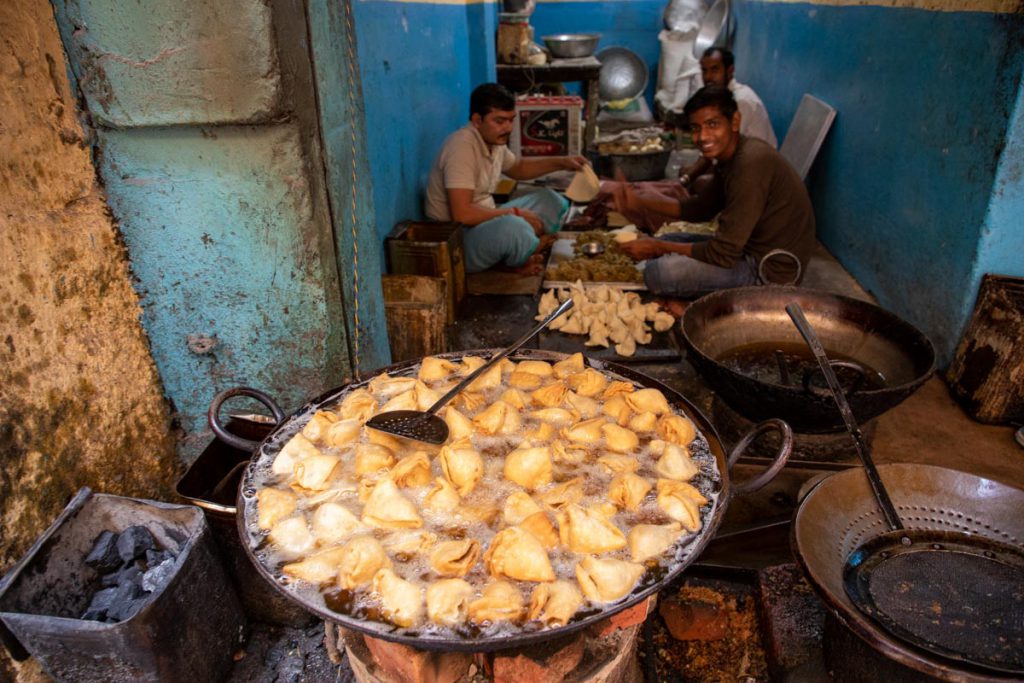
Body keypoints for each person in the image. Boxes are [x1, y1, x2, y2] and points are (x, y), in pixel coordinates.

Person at [616, 86, 815, 305]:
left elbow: (723, 253)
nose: (702, 137)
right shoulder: (730, 157)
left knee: (659, 272)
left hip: (769, 273)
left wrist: (657, 248)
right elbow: (700, 208)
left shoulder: (750, 164)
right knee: (666, 240)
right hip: (748, 250)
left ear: (735, 121)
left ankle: (703, 304)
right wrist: (640, 202)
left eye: (713, 124)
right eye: (695, 128)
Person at [424, 83, 588, 274]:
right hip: (458, 240)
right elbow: (463, 214)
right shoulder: (461, 148)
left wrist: (562, 162)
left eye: (511, 120)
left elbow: (518, 168)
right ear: (477, 120)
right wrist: (514, 212)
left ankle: (527, 248)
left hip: (485, 220)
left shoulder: (494, 141)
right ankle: (513, 262)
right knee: (513, 228)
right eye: (500, 121)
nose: (508, 128)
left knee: (551, 200)